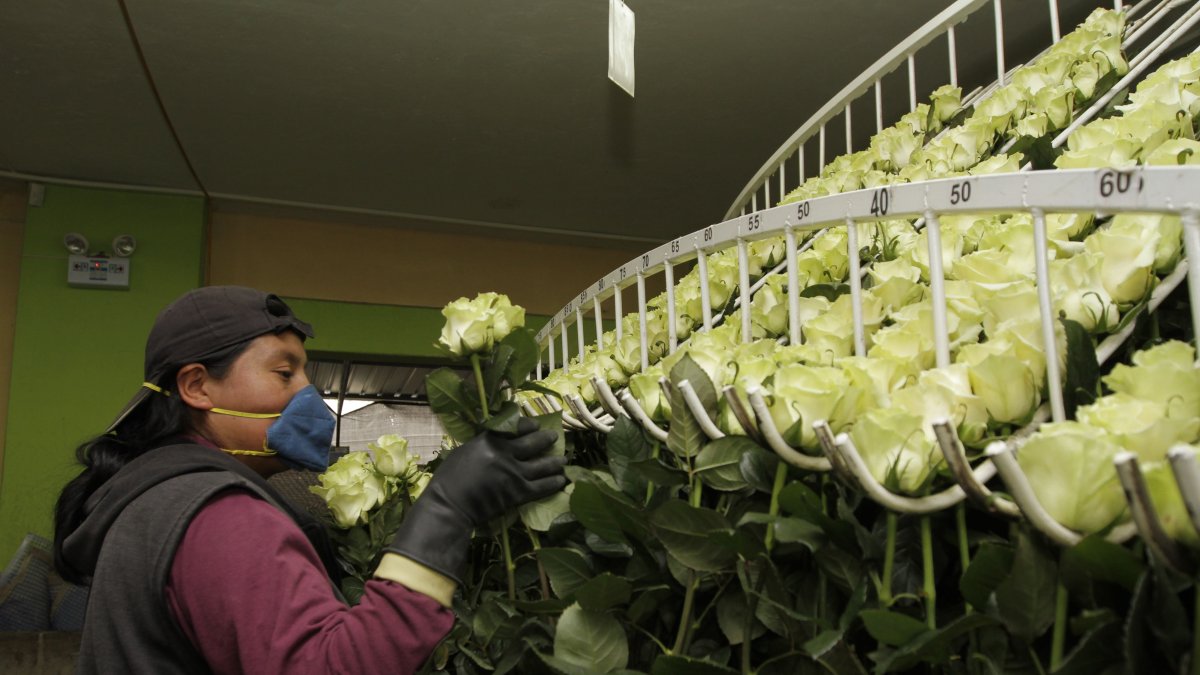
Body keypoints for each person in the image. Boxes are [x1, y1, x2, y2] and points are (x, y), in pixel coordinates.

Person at [52, 286, 567, 674]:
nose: (308, 393)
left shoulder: (157, 495)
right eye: (284, 373)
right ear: (197, 386)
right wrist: (447, 510)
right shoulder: (214, 513)